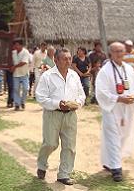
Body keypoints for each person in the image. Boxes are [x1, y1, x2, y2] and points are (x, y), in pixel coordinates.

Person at [35, 48, 86, 186]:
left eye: (69, 58)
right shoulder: (47, 76)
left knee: (70, 146)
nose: (68, 61)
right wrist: (57, 104)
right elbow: (40, 97)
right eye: (65, 58)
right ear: (56, 60)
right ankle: (41, 164)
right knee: (50, 143)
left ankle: (64, 174)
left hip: (70, 115)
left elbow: (82, 95)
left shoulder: (74, 76)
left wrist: (77, 103)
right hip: (53, 114)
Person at [96, 42, 134, 182]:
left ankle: (108, 162)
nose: (119, 54)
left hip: (127, 109)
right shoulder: (105, 71)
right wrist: (118, 98)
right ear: (110, 53)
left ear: (125, 52)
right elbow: (101, 92)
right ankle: (116, 168)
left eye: (121, 51)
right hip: (112, 109)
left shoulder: (128, 69)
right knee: (112, 137)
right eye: (116, 51)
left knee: (123, 135)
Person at [11, 39, 30, 111]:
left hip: (24, 73)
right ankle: (17, 104)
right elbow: (10, 62)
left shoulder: (25, 52)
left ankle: (22, 101)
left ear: (21, 45)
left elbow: (24, 62)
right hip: (16, 74)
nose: (16, 46)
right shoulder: (13, 52)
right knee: (16, 89)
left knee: (26, 88)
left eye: (17, 44)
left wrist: (14, 67)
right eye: (15, 45)